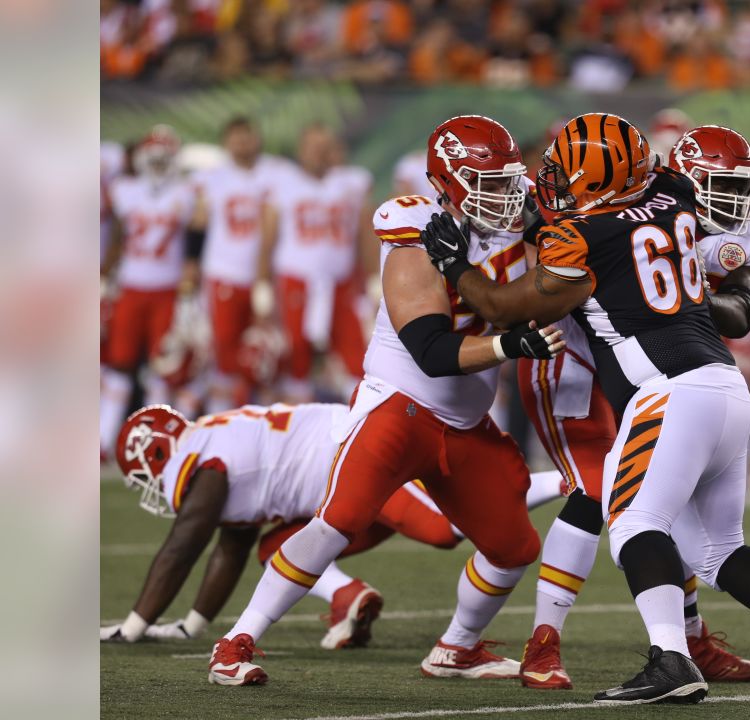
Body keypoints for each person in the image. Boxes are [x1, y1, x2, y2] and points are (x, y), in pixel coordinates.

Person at [421, 112, 750, 704]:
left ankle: (671, 660)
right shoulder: (674, 195)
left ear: (595, 179)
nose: (550, 179)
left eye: (563, 170)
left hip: (665, 393)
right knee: (718, 552)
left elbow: (505, 308)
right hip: (725, 387)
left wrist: (454, 264)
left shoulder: (584, 238)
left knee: (634, 524)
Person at [205, 115, 563, 687]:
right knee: (337, 521)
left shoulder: (529, 230)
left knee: (514, 546)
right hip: (400, 404)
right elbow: (430, 349)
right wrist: (506, 343)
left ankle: (456, 648)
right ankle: (235, 641)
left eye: (507, 180)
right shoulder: (418, 227)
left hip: (466, 423)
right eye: (488, 182)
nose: (504, 193)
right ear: (449, 180)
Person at [514, 124, 750, 690]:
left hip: (652, 368)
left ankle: (687, 641)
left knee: (663, 502)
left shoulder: (682, 211)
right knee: (594, 488)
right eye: (717, 186)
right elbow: (534, 285)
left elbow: (739, 300)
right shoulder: (596, 207)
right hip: (571, 355)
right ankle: (543, 641)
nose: (729, 201)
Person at [100, 402, 566, 649]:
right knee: (276, 551)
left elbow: (183, 545)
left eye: (143, 472)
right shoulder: (210, 443)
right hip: (330, 480)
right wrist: (192, 625)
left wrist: (135, 625)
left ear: (157, 452)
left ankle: (567, 483)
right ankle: (347, 597)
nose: (149, 485)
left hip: (355, 458)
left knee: (443, 529)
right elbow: (232, 544)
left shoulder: (197, 458)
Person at [100, 125, 197, 460]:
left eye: (163, 158)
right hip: (130, 287)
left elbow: (197, 238)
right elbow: (116, 236)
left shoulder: (186, 192)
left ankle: (154, 443)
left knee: (163, 366)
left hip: (167, 290)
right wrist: (102, 275)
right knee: (119, 363)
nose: (157, 165)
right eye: (152, 158)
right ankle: (103, 439)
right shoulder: (125, 189)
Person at [262, 126, 372, 403]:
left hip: (340, 282)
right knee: (294, 355)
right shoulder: (284, 184)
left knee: (356, 356)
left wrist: (372, 278)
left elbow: (365, 234)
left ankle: (357, 426)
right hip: (296, 281)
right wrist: (261, 286)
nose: (319, 153)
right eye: (313, 146)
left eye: (324, 146)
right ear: (301, 150)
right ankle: (294, 429)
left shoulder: (350, 183)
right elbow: (267, 239)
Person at [189, 117, 289, 412]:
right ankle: (220, 423)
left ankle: (267, 429)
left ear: (258, 138)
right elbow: (197, 224)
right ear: (225, 142)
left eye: (247, 136)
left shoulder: (277, 172)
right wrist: (191, 266)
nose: (242, 143)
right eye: (236, 137)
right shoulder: (213, 177)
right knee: (224, 352)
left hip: (268, 277)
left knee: (267, 356)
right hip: (224, 274)